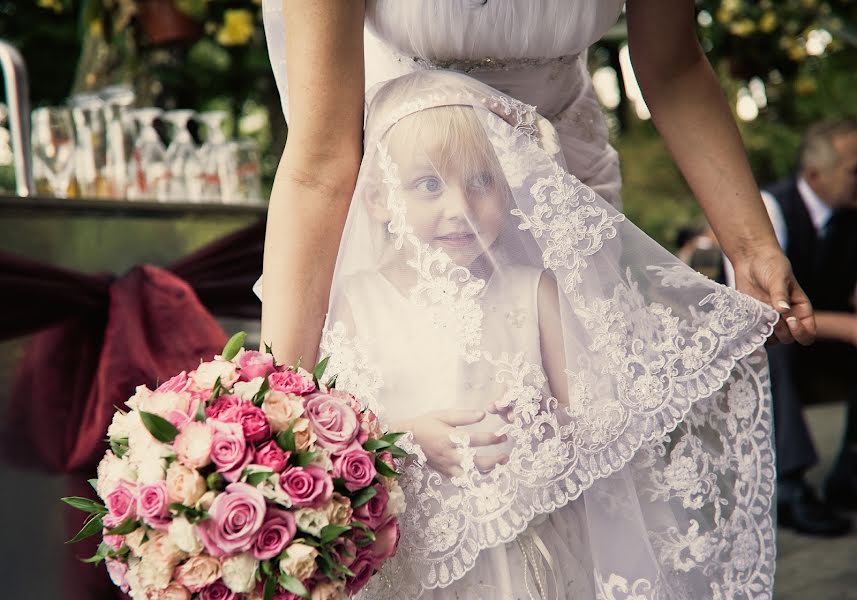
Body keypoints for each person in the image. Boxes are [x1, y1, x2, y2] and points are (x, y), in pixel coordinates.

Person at [257, 1, 816, 598]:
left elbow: (674, 64)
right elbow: (319, 164)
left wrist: (752, 246)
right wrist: (276, 440)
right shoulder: (367, 295)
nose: (460, 211)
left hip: (556, 176)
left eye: (475, 191)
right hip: (403, 147)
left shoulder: (533, 286)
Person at [760, 119, 857, 537]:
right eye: (855, 170)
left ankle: (851, 469)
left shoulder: (852, 214)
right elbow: (764, 310)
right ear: (816, 175)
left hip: (825, 341)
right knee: (770, 343)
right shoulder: (770, 208)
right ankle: (789, 486)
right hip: (776, 341)